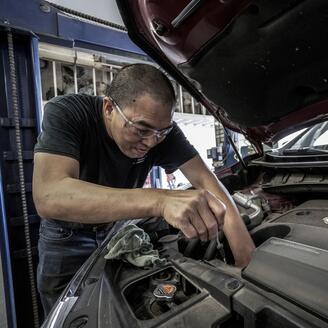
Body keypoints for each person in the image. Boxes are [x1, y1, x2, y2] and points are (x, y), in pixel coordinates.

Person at [32, 64, 255, 316]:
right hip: (66, 237)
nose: (151, 142)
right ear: (108, 108)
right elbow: (50, 195)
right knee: (69, 314)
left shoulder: (160, 132)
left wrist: (245, 257)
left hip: (118, 230)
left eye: (162, 132)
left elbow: (207, 181)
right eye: (141, 130)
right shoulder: (69, 113)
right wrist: (160, 201)